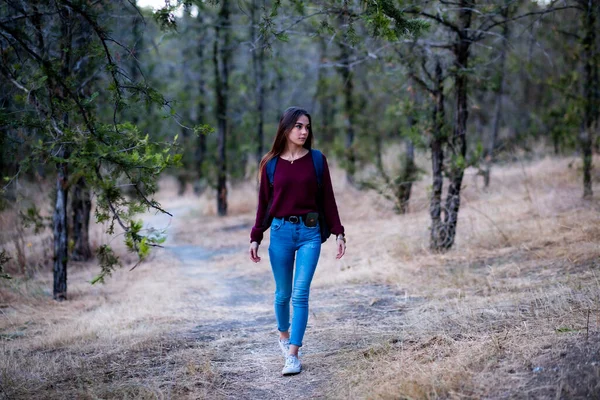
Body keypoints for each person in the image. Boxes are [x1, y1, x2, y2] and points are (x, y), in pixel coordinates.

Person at [249, 106, 346, 376]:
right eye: (299, 126)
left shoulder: (317, 160)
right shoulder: (270, 164)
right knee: (283, 294)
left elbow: (328, 198)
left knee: (301, 294)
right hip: (279, 233)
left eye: (307, 127)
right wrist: (256, 236)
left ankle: (293, 353)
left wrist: (339, 231)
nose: (304, 131)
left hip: (309, 235)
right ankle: (283, 336)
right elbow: (264, 204)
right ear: (286, 128)